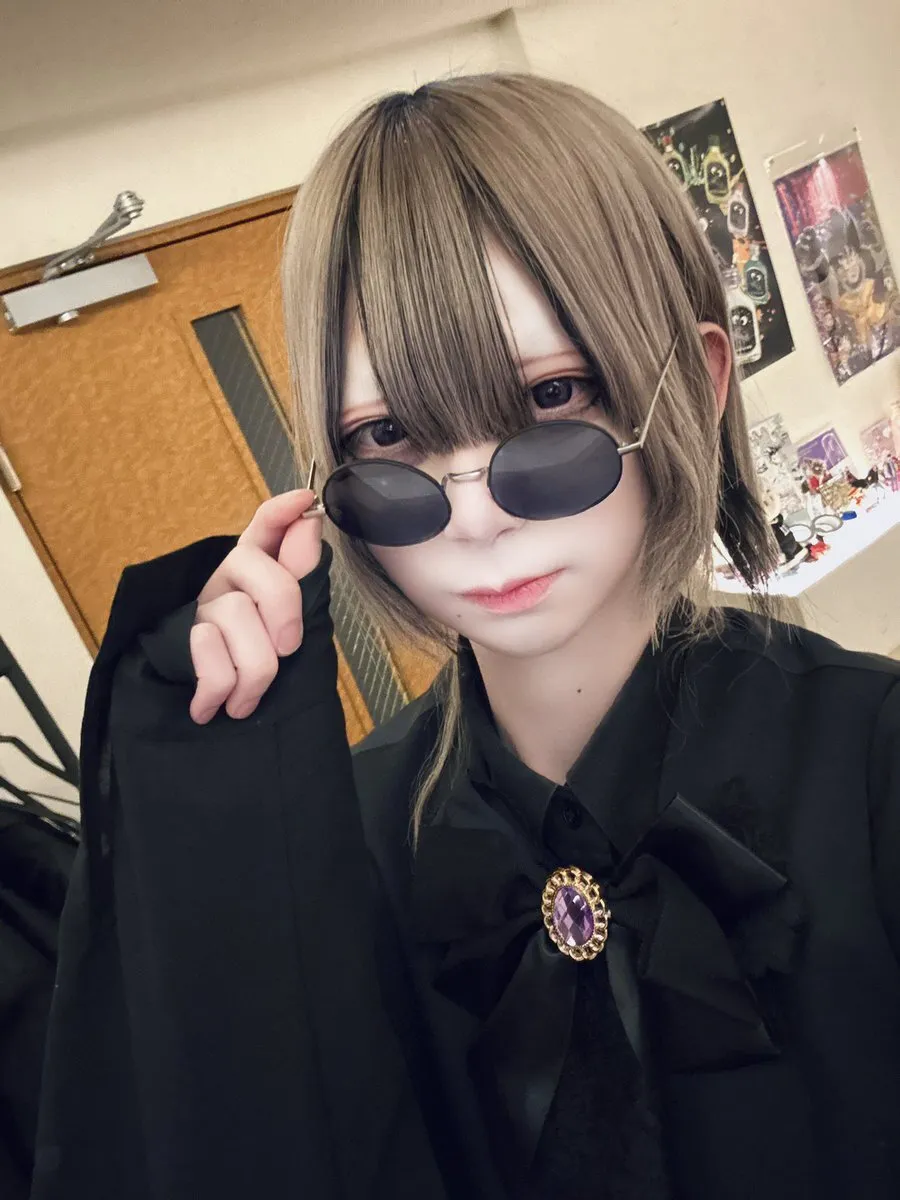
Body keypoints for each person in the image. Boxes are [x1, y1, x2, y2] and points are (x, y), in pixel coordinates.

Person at [32, 75, 900, 1200]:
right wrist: (206, 797)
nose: (477, 514)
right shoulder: (338, 843)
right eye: (390, 435)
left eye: (553, 399)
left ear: (694, 378)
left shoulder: (873, 760)